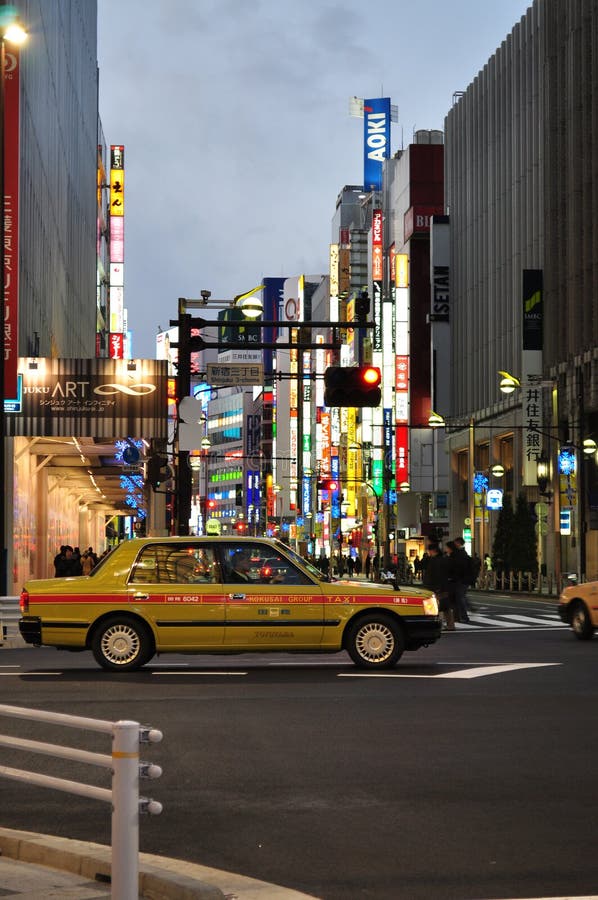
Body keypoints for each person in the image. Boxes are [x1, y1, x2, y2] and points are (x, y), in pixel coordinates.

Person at [422, 542, 454, 630]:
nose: (428, 552)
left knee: (436, 607)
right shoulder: (443, 559)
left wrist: (434, 587)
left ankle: (438, 625)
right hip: (444, 585)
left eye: (429, 551)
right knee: (446, 606)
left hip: (436, 586)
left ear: (432, 551)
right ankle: (450, 625)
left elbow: (434, 574)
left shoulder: (435, 560)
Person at [451, 537, 472, 623]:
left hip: (461, 579)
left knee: (460, 597)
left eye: (455, 543)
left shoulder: (461, 554)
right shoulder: (461, 553)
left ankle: (464, 616)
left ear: (458, 543)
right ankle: (459, 616)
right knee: (459, 597)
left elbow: (460, 567)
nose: (454, 545)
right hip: (462, 579)